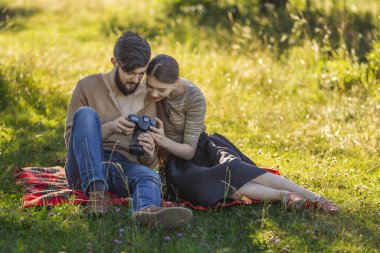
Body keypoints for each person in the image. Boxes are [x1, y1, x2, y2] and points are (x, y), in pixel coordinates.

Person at [145, 54, 339, 214]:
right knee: (214, 185)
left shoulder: (194, 97)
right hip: (178, 162)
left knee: (236, 170)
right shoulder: (147, 91)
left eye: (160, 89)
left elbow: (189, 150)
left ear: (176, 81)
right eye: (150, 86)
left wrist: (163, 140)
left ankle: (315, 198)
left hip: (200, 148)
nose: (153, 94)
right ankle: (284, 196)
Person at [64, 32, 193, 229]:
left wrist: (149, 152)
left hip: (122, 166)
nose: (136, 79)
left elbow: (147, 162)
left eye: (141, 73)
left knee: (150, 176)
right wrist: (110, 128)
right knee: (86, 114)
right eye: (130, 73)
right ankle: (97, 194)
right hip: (83, 168)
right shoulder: (87, 87)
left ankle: (147, 212)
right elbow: (70, 140)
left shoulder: (149, 98)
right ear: (114, 62)